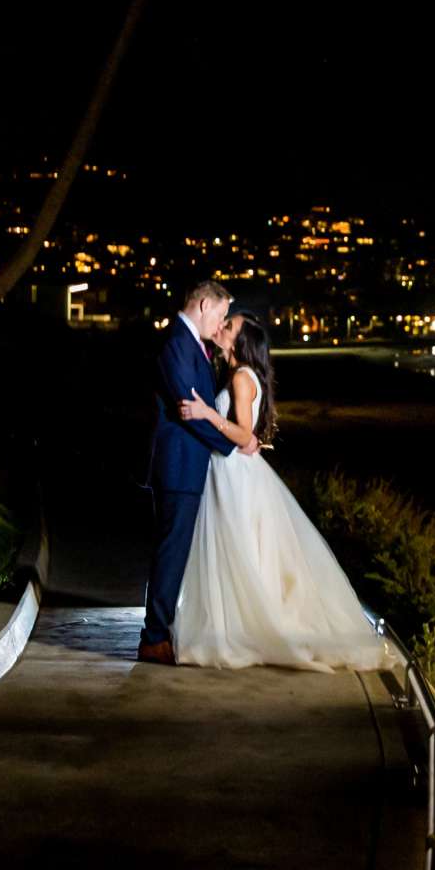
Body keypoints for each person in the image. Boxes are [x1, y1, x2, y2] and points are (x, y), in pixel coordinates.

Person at [171, 312, 398, 671]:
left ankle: (243, 629)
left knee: (240, 550)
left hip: (236, 476)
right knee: (237, 552)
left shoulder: (243, 378)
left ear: (240, 342)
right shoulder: (235, 375)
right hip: (229, 471)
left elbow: (245, 434)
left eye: (229, 327)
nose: (222, 327)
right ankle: (233, 624)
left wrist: (204, 413)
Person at [136, 280, 240, 665]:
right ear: (201, 305)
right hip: (178, 465)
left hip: (188, 464)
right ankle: (153, 638)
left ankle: (163, 631)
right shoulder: (177, 343)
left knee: (177, 552)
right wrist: (232, 444)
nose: (221, 323)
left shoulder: (193, 343)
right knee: (171, 551)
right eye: (220, 315)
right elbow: (187, 405)